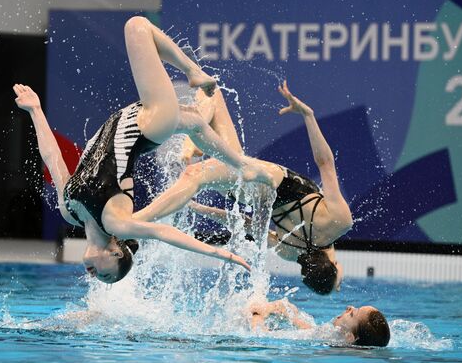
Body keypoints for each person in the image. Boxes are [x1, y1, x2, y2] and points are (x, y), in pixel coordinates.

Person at [12, 16, 277, 283]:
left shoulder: (70, 212)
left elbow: (52, 158)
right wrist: (222, 254)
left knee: (196, 122)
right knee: (136, 27)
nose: (95, 277)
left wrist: (35, 110)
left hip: (135, 115)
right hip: (150, 125)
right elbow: (164, 233)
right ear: (116, 253)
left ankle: (242, 164)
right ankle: (193, 72)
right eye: (107, 275)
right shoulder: (117, 223)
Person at [132, 81, 354, 294]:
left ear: (334, 265)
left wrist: (308, 115)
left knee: (194, 174)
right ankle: (192, 143)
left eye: (339, 281)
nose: (341, 283)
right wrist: (201, 210)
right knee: (211, 94)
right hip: (243, 190)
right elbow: (249, 225)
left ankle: (135, 221)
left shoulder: (340, 221)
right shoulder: (289, 253)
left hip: (256, 178)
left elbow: (325, 163)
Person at [247, 298, 390, 347]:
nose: (349, 307)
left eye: (352, 313)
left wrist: (256, 314)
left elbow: (260, 337)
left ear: (349, 337)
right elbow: (312, 332)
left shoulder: (319, 349)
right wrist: (290, 314)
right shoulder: (332, 338)